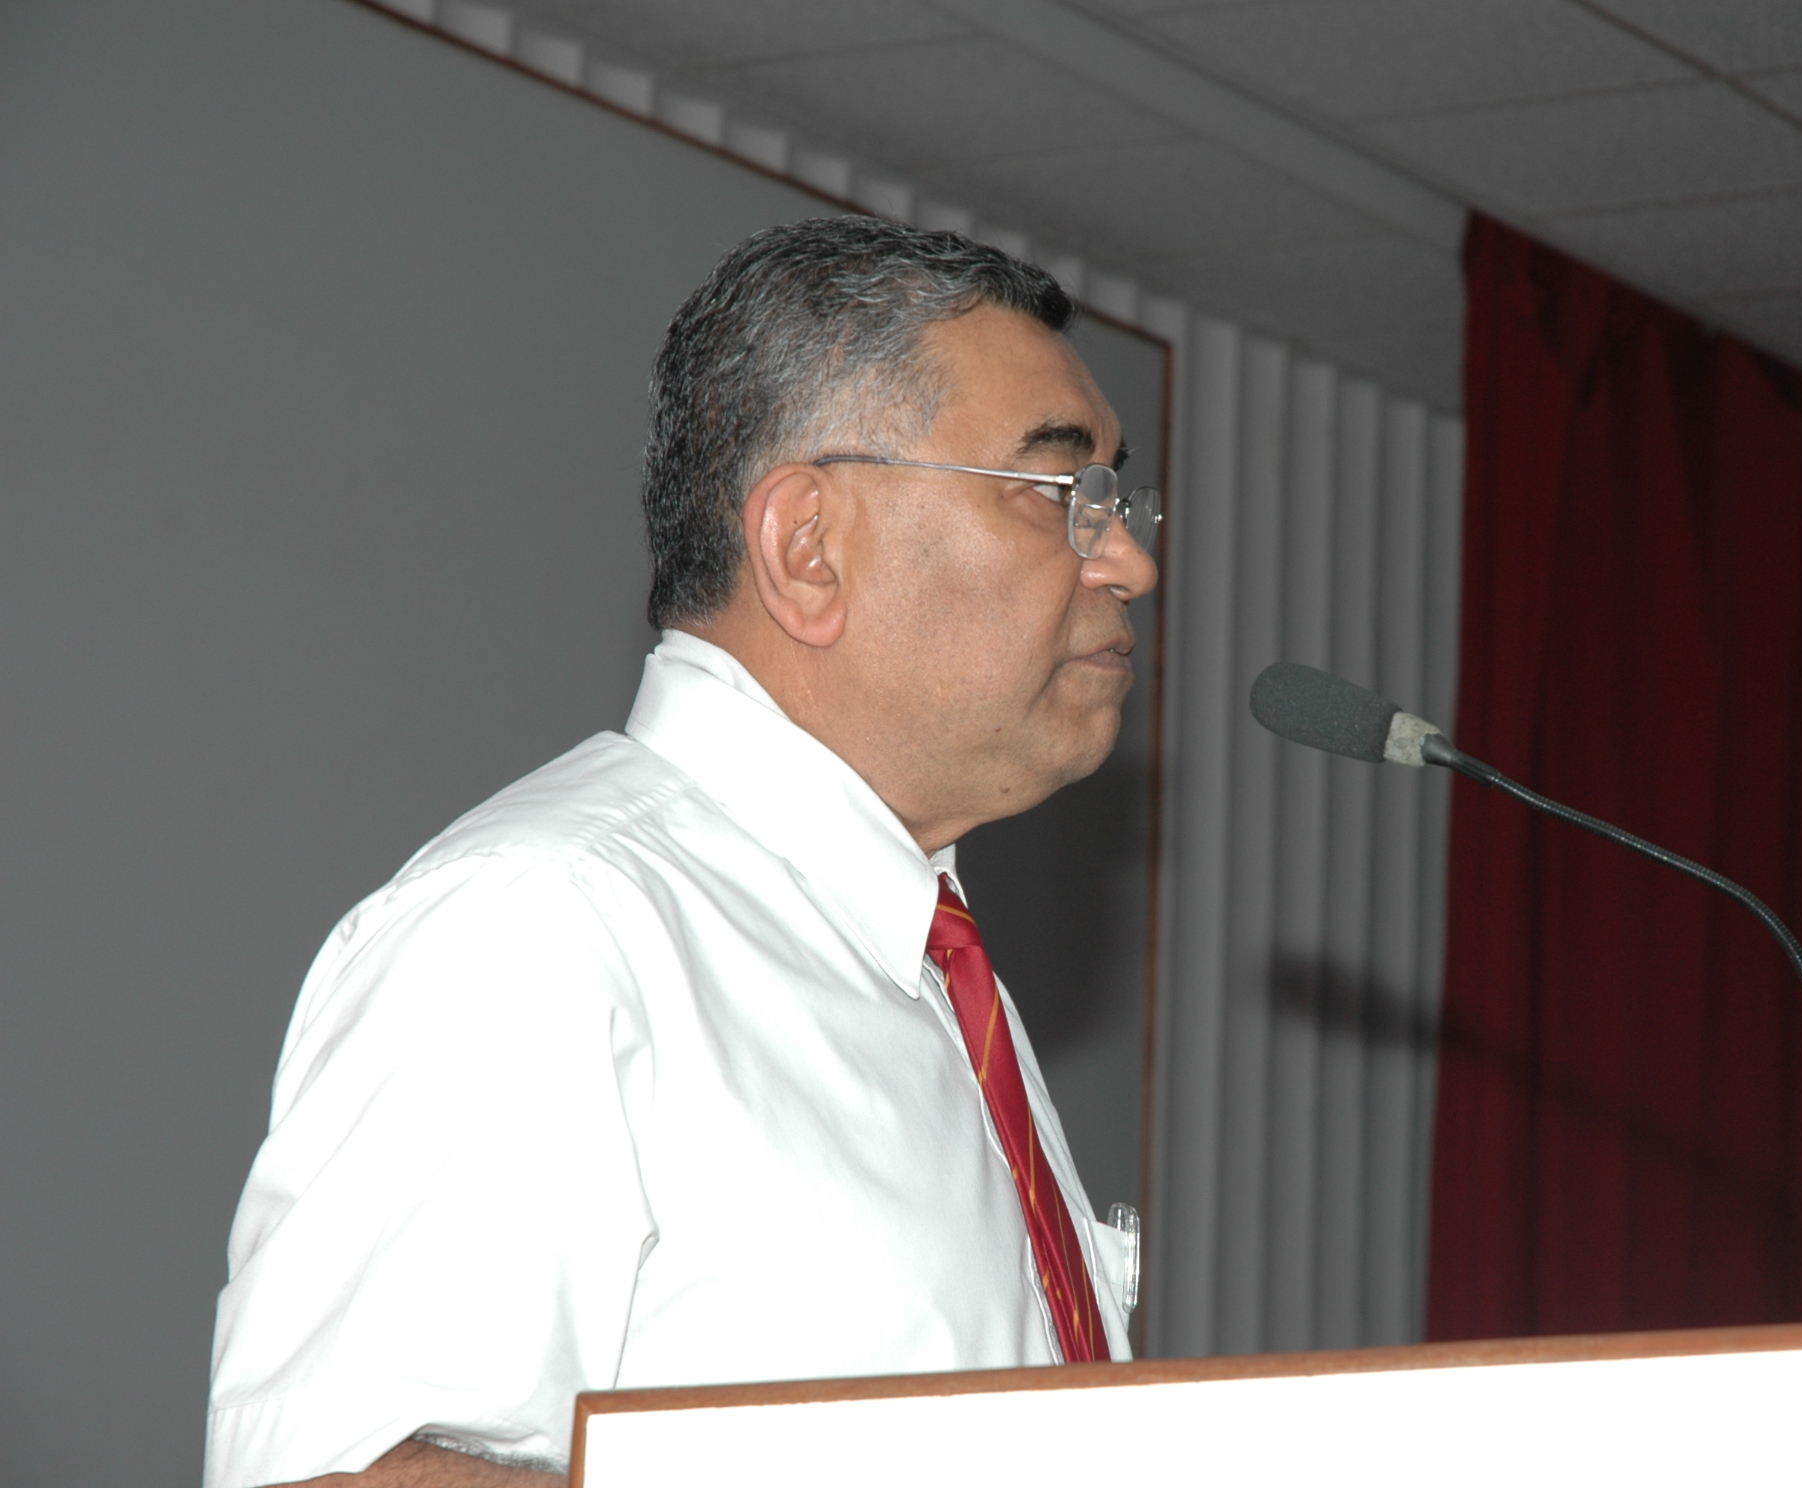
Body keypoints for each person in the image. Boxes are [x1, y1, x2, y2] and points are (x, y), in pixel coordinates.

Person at [204, 217, 1161, 1488]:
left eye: (1120, 501)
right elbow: (334, 1476)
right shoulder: (543, 923)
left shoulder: (926, 969)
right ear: (808, 547)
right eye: (1062, 494)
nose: (1131, 561)